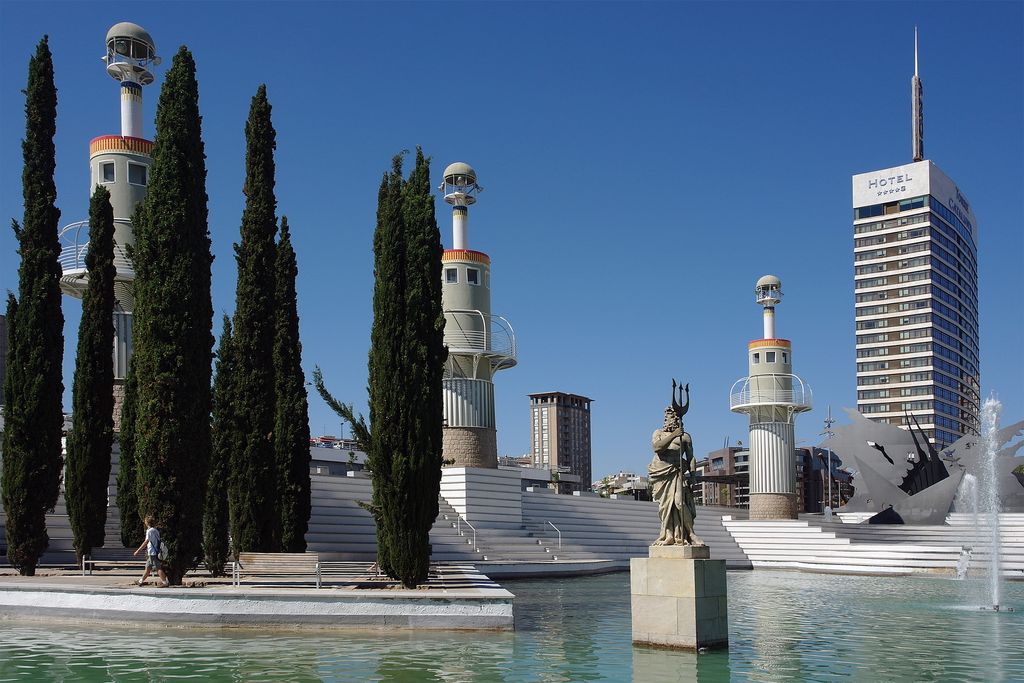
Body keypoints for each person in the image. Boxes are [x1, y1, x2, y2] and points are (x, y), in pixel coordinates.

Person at [649, 389, 703, 546]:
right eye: (671, 417)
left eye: (676, 417)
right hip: (661, 473)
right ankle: (669, 535)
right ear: (666, 418)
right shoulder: (658, 432)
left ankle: (691, 534)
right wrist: (673, 435)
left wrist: (693, 477)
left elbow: (691, 457)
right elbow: (657, 448)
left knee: (679, 503)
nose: (673, 420)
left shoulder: (685, 436)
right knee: (665, 506)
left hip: (677, 472)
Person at [133, 516, 169, 587]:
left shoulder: (149, 531)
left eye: (145, 521)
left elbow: (146, 542)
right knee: (148, 568)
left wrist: (138, 551)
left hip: (153, 552)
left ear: (147, 523)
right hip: (154, 552)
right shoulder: (156, 530)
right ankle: (140, 581)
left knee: (158, 568)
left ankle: (165, 582)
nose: (145, 523)